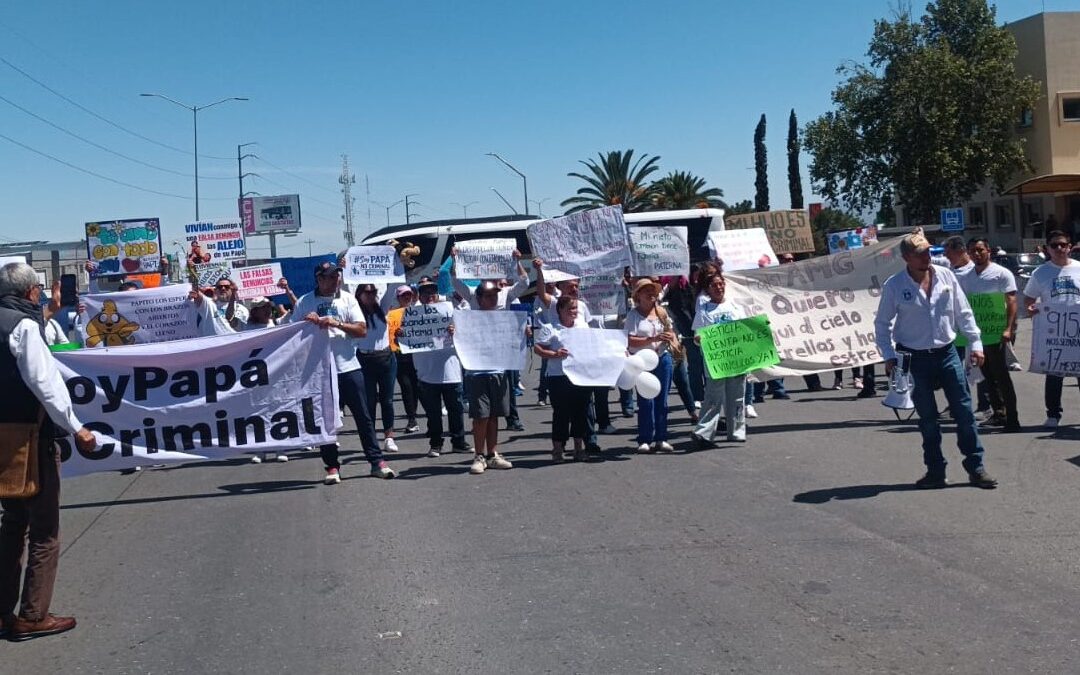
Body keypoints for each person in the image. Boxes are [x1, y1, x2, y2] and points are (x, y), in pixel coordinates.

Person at [0, 262, 97, 641]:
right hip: (32, 436)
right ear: (30, 293)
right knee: (44, 529)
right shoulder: (23, 327)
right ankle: (33, 615)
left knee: (11, 524)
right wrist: (77, 428)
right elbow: (46, 383)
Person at [874, 232, 996, 489]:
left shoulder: (946, 276)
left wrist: (975, 343)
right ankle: (935, 471)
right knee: (928, 418)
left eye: (928, 252)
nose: (925, 257)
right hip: (912, 357)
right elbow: (882, 324)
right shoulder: (895, 285)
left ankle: (976, 467)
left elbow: (964, 312)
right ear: (906, 257)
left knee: (964, 412)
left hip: (947, 352)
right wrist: (888, 356)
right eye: (919, 254)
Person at [291, 262, 396, 484]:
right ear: (318, 279)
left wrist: (337, 323)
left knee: (364, 417)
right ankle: (331, 467)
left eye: (336, 277)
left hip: (348, 367)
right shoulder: (304, 302)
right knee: (326, 421)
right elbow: (291, 336)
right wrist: (305, 324)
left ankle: (377, 462)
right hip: (319, 372)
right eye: (328, 277)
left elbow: (361, 330)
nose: (334, 281)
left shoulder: (347, 299)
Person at [1021, 229, 1080, 428]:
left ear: (1069, 247)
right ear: (1047, 249)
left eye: (1063, 244)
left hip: (1077, 333)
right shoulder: (1040, 273)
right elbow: (1029, 299)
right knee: (1054, 374)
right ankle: (1053, 414)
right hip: (1055, 334)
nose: (1059, 248)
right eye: (1054, 245)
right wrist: (1031, 309)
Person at [963, 237, 1020, 431]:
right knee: (986, 375)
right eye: (972, 251)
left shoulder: (1001, 273)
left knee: (1001, 375)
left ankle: (1012, 418)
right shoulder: (968, 276)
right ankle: (998, 413)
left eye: (980, 250)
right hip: (979, 335)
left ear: (988, 251)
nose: (977, 254)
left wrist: (1008, 328)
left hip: (997, 333)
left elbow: (1011, 301)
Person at [410, 280, 470, 457]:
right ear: (419, 296)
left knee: (456, 410)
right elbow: (406, 339)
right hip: (427, 373)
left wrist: (456, 330)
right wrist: (402, 335)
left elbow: (467, 315)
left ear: (438, 295)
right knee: (433, 414)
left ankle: (459, 441)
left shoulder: (450, 311)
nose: (430, 296)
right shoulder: (413, 315)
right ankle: (436, 444)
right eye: (425, 293)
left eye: (432, 293)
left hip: (451, 370)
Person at [461, 281, 515, 474]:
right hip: (477, 372)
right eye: (489, 295)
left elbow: (514, 338)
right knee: (480, 416)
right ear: (479, 298)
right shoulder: (469, 318)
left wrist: (522, 333)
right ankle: (478, 455)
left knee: (494, 415)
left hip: (498, 371)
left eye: (495, 295)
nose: (493, 298)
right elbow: (459, 336)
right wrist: (454, 331)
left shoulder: (504, 318)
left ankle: (492, 454)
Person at [690, 270, 748, 448]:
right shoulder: (704, 310)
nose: (718, 287)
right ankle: (704, 433)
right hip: (716, 360)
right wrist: (699, 339)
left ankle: (737, 431)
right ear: (707, 289)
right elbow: (697, 335)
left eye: (720, 284)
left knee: (737, 396)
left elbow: (747, 329)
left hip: (737, 357)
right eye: (714, 285)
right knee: (713, 396)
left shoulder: (735, 306)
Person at [534, 296, 594, 462]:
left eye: (575, 308)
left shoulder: (583, 327)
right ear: (560, 310)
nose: (573, 312)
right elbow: (538, 348)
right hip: (558, 376)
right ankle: (558, 449)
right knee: (561, 414)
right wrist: (554, 354)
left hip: (580, 375)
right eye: (570, 308)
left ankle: (578, 448)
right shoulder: (551, 328)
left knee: (580, 413)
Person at [625, 278, 677, 453]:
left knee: (662, 400)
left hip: (662, 358)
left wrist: (670, 337)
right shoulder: (633, 315)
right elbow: (630, 339)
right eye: (646, 290)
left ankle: (661, 438)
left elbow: (670, 330)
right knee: (646, 400)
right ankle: (645, 438)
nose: (651, 294)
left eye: (653, 290)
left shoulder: (661, 312)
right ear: (638, 295)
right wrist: (652, 339)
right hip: (642, 362)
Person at [354, 283, 399, 454]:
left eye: (374, 292)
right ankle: (371, 439)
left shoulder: (382, 309)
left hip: (386, 358)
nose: (372, 295)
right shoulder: (355, 312)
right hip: (365, 359)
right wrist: (343, 269)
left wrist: (398, 263)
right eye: (368, 292)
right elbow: (341, 291)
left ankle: (389, 437)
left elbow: (395, 284)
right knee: (369, 402)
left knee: (387, 400)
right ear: (359, 295)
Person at [386, 285, 420, 433]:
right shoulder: (391, 314)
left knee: (417, 387)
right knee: (406, 387)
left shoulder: (420, 312)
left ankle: (415, 414)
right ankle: (411, 418)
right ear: (398, 297)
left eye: (409, 295)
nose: (406, 297)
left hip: (417, 355)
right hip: (399, 355)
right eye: (403, 295)